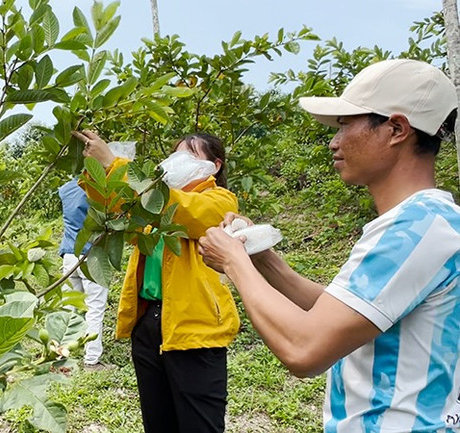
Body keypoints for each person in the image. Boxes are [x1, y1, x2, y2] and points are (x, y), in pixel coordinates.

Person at [197, 59, 460, 432]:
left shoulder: (415, 230)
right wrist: (262, 259)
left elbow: (304, 349)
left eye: (346, 125)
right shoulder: (429, 222)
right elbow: (340, 312)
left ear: (396, 129)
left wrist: (234, 263)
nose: (335, 142)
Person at [73, 129, 240, 433]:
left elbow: (186, 212)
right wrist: (96, 168)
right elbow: (113, 206)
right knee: (157, 421)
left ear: (215, 165)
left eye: (190, 154)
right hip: (149, 323)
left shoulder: (220, 202)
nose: (179, 160)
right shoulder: (152, 204)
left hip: (196, 328)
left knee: (200, 425)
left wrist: (115, 164)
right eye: (176, 153)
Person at [58, 176, 111, 370]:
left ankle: (59, 355)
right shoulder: (100, 190)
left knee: (69, 308)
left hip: (69, 254)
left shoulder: (65, 189)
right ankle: (91, 360)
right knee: (95, 308)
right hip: (92, 255)